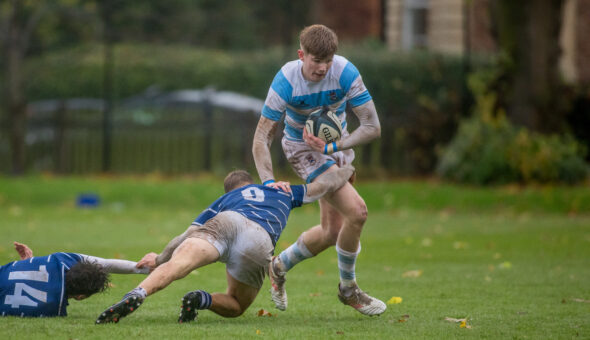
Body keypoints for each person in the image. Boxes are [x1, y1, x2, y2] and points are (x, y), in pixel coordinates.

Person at [95, 166, 354, 324]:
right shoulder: (281, 190)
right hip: (259, 236)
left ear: (228, 189)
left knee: (177, 265)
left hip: (226, 221)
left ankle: (136, 295)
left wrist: (160, 258)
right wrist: (347, 170)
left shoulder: (224, 200)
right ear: (251, 182)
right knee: (237, 305)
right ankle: (201, 299)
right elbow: (324, 185)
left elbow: (186, 235)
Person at [252, 24, 386, 316]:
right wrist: (268, 182)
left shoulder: (346, 73)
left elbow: (372, 127)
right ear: (302, 55)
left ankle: (278, 266)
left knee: (331, 231)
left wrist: (333, 148)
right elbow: (262, 137)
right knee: (358, 212)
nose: (323, 68)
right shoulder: (286, 82)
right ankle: (348, 289)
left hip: (335, 149)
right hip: (301, 148)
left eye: (328, 61)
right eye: (316, 61)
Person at [0, 242, 149, 317]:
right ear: (80, 296)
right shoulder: (54, 309)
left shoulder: (60, 259)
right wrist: (153, 271)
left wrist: (26, 265)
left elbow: (105, 263)